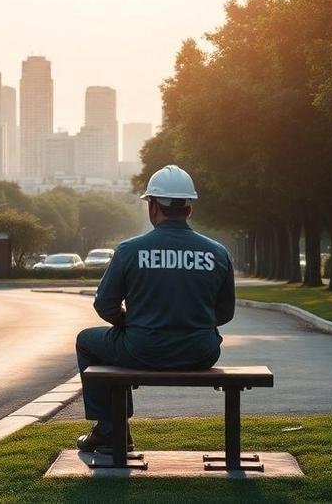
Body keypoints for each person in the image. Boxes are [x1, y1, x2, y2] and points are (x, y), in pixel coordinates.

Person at [75, 165, 236, 454]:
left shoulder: (129, 250)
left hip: (142, 350)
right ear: (189, 208)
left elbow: (104, 304)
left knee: (87, 341)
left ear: (153, 206)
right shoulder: (217, 252)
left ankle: (111, 430)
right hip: (201, 352)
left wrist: (127, 324)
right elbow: (225, 314)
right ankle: (114, 431)